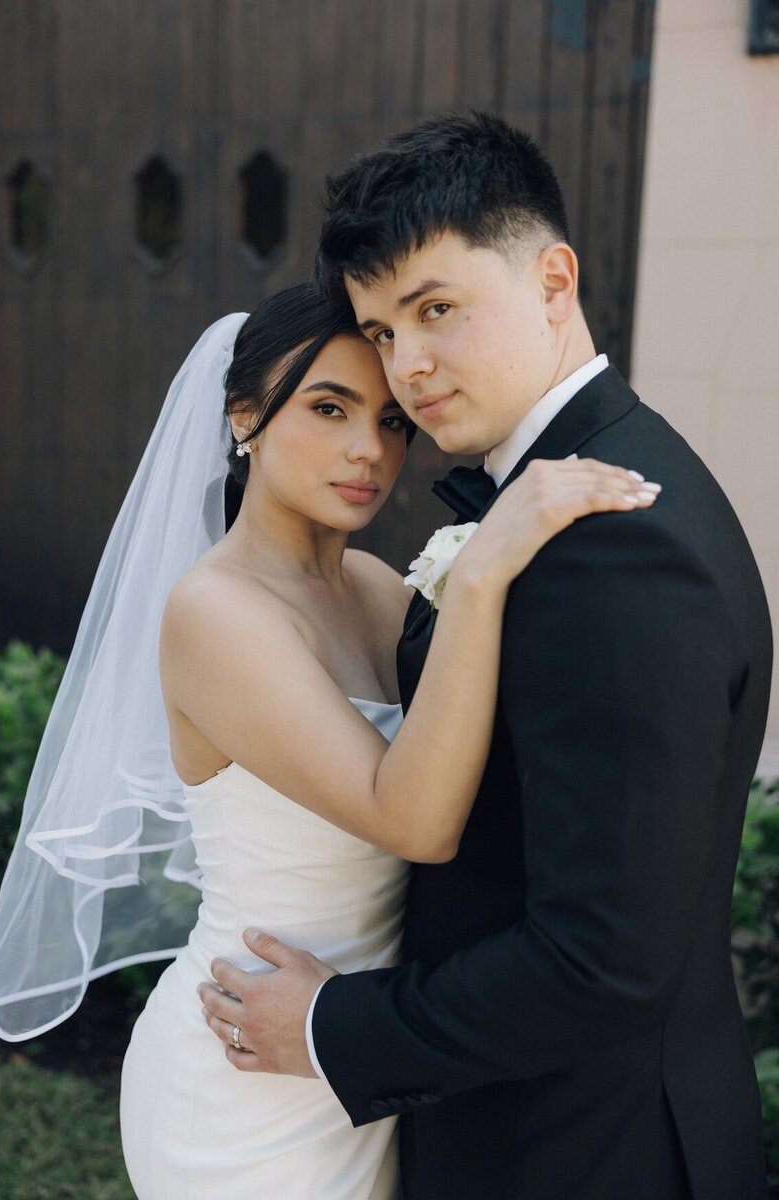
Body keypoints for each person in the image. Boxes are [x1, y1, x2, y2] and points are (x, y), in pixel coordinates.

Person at [199, 114, 773, 1200]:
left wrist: (333, 1023)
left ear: (552, 281)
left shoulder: (612, 539)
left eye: (435, 310)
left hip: (580, 1155)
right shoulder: (562, 495)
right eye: (378, 331)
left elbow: (599, 959)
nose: (406, 367)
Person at [0, 278, 653, 1197]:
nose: (366, 450)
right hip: (245, 1069)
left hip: (357, 1047)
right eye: (329, 409)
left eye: (389, 422)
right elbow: (412, 820)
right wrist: (487, 563)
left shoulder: (380, 589)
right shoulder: (214, 611)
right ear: (244, 414)